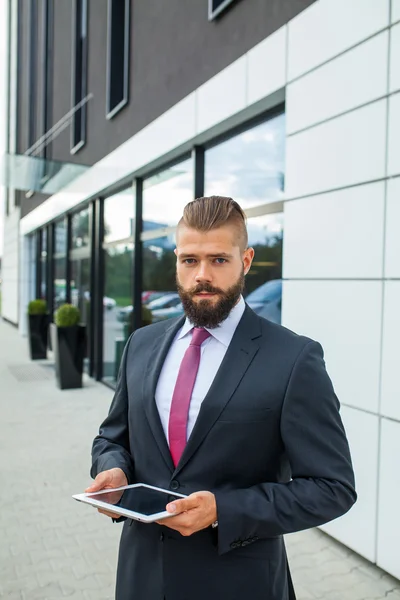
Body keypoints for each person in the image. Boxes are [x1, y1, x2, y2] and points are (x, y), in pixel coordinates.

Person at [87, 196, 356, 600]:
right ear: (177, 259)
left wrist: (224, 510)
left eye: (218, 260)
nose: (202, 276)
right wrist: (114, 470)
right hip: (141, 577)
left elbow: (332, 487)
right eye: (190, 260)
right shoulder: (142, 344)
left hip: (239, 583)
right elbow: (112, 438)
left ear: (245, 261)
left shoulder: (293, 358)